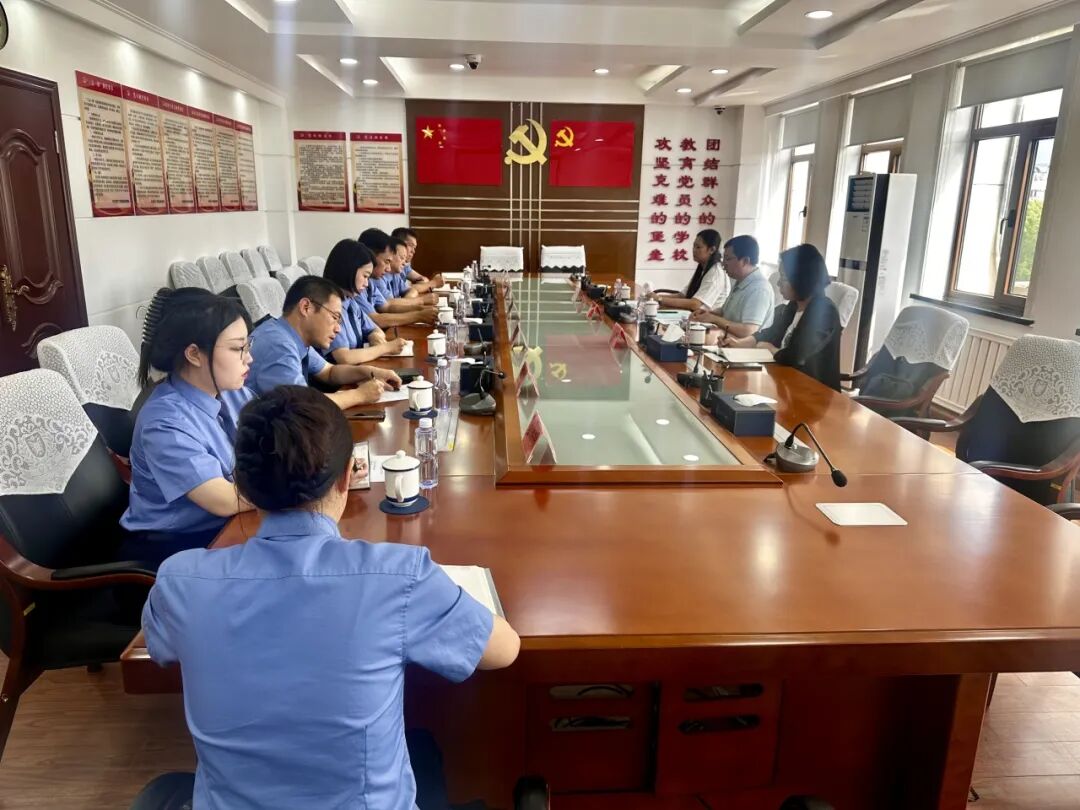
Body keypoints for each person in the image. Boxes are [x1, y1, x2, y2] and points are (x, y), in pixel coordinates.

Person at [142, 385, 521, 809]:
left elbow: (161, 649)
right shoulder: (400, 578)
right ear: (346, 477)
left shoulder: (179, 582)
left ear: (243, 483)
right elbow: (503, 650)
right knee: (426, 749)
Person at [119, 288, 256, 568]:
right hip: (174, 548)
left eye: (247, 346)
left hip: (228, 525)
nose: (248, 358)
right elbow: (225, 500)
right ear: (194, 354)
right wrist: (308, 484)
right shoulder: (164, 422)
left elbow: (276, 433)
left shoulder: (230, 390)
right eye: (237, 348)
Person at [246, 275, 401, 409]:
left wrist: (370, 372)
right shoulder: (278, 345)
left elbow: (329, 372)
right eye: (334, 317)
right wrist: (360, 395)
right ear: (306, 307)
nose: (338, 329)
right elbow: (302, 405)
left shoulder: (289, 334)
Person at [723, 243, 842, 390]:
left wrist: (772, 349)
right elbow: (771, 333)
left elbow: (797, 356)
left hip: (814, 391)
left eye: (784, 278)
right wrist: (739, 343)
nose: (779, 283)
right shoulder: (794, 305)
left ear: (802, 279)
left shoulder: (825, 312)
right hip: (786, 382)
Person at [321, 239, 409, 364]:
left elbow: (375, 328)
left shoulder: (350, 300)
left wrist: (374, 336)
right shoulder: (328, 305)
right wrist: (385, 348)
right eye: (365, 276)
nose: (367, 283)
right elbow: (344, 357)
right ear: (349, 270)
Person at [691, 235, 774, 339]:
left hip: (741, 346)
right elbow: (725, 312)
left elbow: (748, 331)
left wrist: (713, 319)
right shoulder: (741, 281)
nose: (723, 264)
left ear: (745, 261)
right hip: (727, 338)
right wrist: (708, 313)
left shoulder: (759, 289)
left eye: (728, 259)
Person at [359, 228, 439, 327]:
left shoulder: (370, 282)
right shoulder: (359, 284)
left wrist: (421, 309)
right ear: (370, 257)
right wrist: (418, 314)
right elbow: (376, 319)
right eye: (387, 261)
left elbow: (387, 306)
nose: (388, 268)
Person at [653, 229, 729, 313]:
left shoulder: (715, 273)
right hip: (692, 314)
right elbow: (682, 295)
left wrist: (660, 299)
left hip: (705, 318)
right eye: (694, 246)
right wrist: (654, 297)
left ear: (711, 250)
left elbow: (695, 304)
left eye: (698, 247)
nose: (694, 250)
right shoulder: (703, 269)